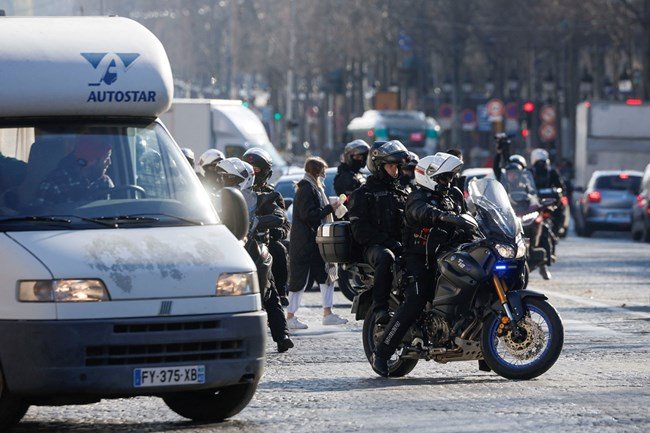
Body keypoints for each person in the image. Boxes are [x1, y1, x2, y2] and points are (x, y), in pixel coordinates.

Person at [371, 152, 473, 377]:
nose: (449, 182)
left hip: (447, 255)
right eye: (444, 178)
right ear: (431, 177)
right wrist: (444, 217)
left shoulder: (453, 194)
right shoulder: (417, 197)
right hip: (418, 258)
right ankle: (382, 352)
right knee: (417, 298)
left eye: (450, 178)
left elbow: (468, 215)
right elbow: (420, 212)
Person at [214, 157, 294, 353]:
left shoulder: (263, 197)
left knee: (270, 290)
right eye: (225, 178)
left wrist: (260, 220)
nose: (226, 183)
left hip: (254, 246)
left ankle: (281, 335)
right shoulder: (217, 199)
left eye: (231, 179)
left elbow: (279, 216)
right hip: (227, 248)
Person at [348, 140, 409, 325]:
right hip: (373, 248)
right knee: (386, 257)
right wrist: (389, 242)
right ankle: (380, 306)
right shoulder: (363, 194)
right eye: (391, 166)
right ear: (378, 166)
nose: (395, 171)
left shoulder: (403, 192)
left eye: (397, 166)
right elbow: (361, 231)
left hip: (401, 245)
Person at [287, 156, 348, 329]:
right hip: (305, 243)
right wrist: (330, 208)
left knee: (326, 276)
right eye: (323, 169)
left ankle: (327, 313)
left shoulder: (312, 187)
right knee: (299, 280)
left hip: (312, 242)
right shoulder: (307, 189)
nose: (325, 172)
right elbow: (309, 215)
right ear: (317, 171)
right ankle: (290, 317)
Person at [242, 147, 291, 307]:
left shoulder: (271, 194)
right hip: (240, 239)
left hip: (264, 241)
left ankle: (281, 292)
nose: (252, 174)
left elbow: (284, 224)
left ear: (265, 172)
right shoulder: (235, 191)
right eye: (249, 170)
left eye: (256, 170)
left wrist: (275, 230)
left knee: (279, 250)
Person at [35, 136, 113, 207]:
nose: (109, 163)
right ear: (90, 160)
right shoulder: (54, 184)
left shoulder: (105, 182)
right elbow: (41, 218)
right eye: (106, 158)